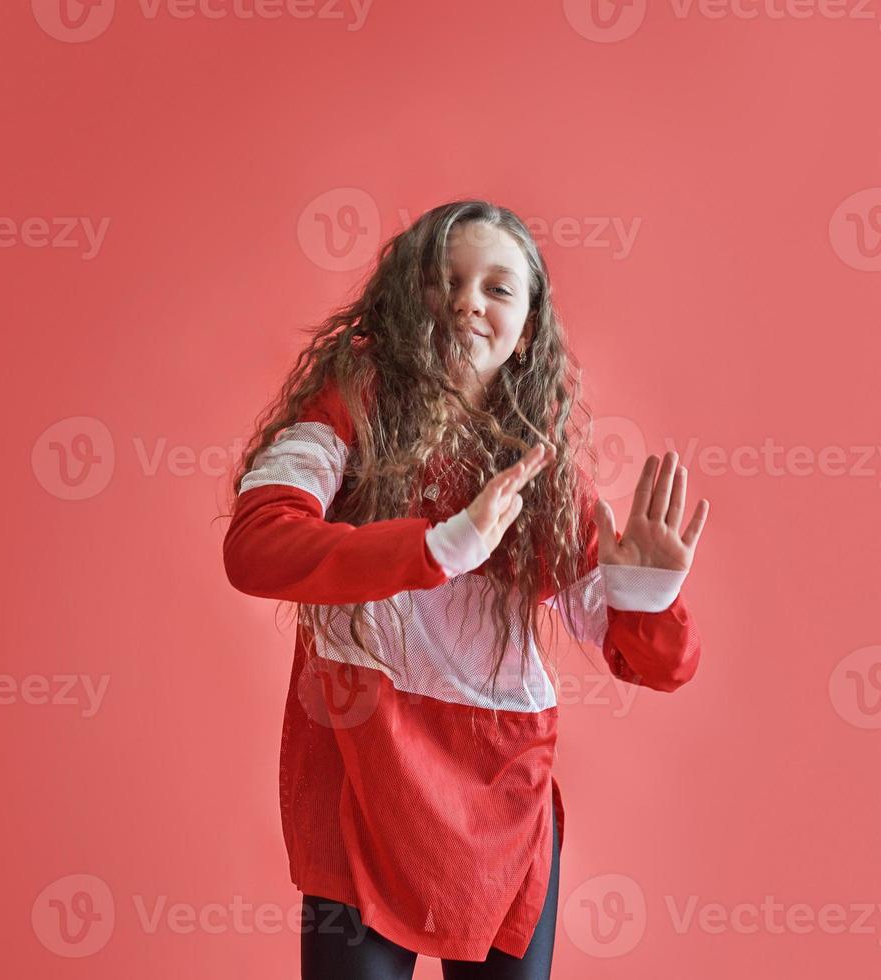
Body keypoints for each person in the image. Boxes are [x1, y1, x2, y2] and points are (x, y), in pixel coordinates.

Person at [222, 199, 710, 979]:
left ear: (528, 327)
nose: (466, 303)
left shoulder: (540, 471)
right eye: (445, 280)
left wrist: (647, 601)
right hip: (362, 779)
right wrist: (438, 548)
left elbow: (654, 664)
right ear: (404, 297)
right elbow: (255, 546)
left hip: (500, 803)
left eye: (497, 287)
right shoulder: (351, 412)